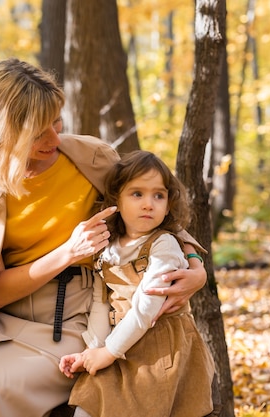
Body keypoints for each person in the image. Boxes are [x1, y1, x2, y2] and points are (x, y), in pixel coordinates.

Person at [0, 58, 207, 417]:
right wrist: (67, 251)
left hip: (76, 318)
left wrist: (196, 265)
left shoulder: (92, 158)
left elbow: (151, 208)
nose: (54, 138)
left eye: (56, 121)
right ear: (3, 130)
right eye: (37, 131)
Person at [58, 150, 215, 417]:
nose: (148, 204)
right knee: (90, 403)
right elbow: (101, 301)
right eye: (137, 194)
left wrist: (107, 353)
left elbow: (146, 309)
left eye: (158, 195)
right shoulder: (108, 248)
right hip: (121, 340)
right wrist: (93, 350)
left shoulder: (164, 245)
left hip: (161, 348)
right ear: (116, 198)